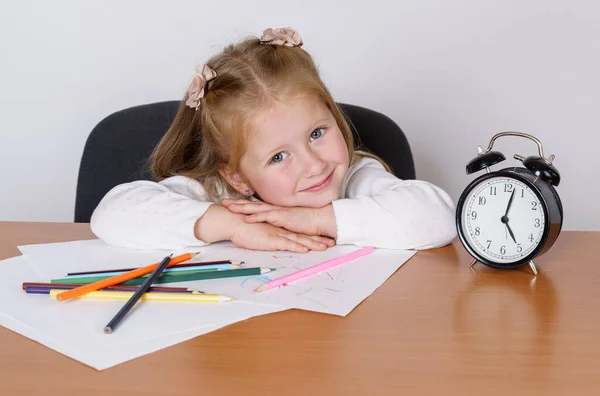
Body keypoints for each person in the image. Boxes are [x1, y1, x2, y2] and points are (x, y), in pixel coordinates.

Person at [91, 27, 457, 252]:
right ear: (237, 176)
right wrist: (233, 226)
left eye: (317, 133)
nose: (314, 165)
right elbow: (112, 214)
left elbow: (437, 217)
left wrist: (317, 220)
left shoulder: (356, 175)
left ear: (333, 113)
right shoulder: (225, 195)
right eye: (278, 157)